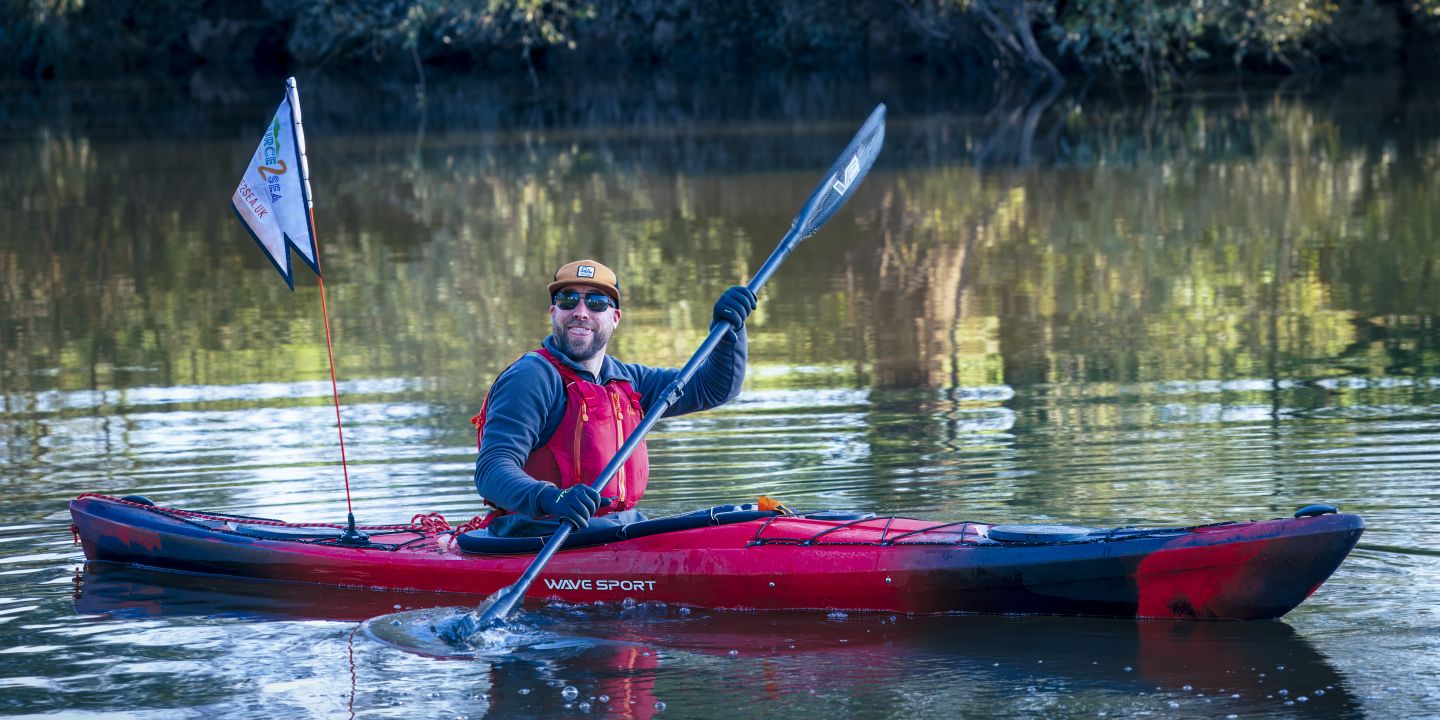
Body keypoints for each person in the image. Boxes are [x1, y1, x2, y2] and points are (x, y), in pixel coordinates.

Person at [471, 259, 756, 537]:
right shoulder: (532, 377)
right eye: (568, 300)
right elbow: (492, 469)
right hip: (541, 537)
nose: (580, 311)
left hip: (619, 530)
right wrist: (551, 498)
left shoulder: (627, 380)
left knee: (739, 517)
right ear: (553, 312)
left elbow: (713, 387)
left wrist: (730, 333)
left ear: (615, 318)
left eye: (596, 302)